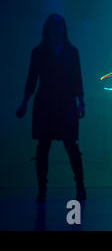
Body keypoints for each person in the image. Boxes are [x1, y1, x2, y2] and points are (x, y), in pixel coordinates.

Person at [16, 14, 86, 203]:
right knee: (44, 148)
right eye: (54, 26)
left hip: (64, 103)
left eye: (59, 25)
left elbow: (77, 78)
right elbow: (31, 79)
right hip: (46, 104)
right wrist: (24, 102)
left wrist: (81, 101)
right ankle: (43, 190)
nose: (57, 29)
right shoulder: (39, 52)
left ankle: (80, 187)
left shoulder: (71, 52)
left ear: (63, 29)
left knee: (70, 146)